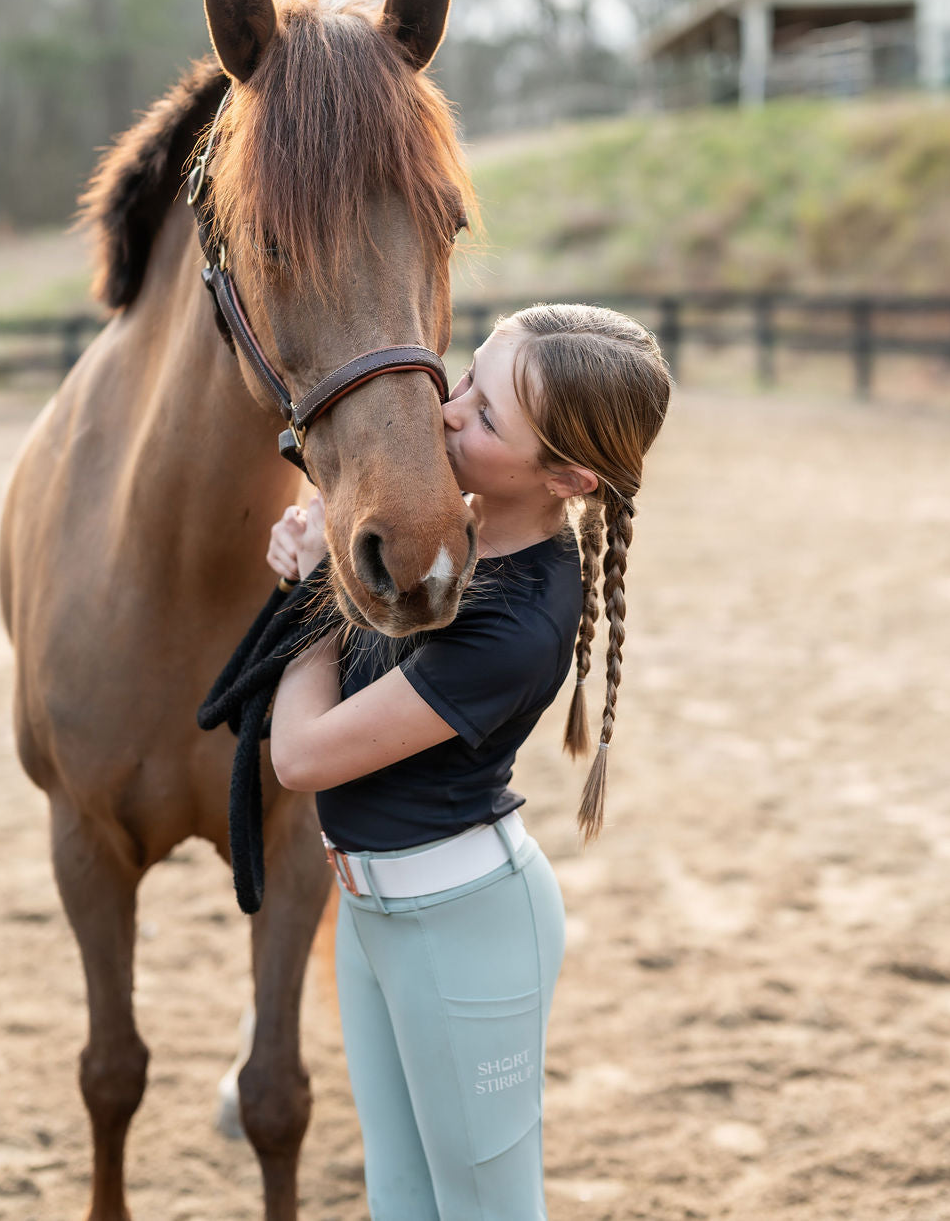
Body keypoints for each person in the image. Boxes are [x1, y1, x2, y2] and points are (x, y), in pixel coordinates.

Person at [267, 303, 671, 1221]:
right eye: (466, 380)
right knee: (401, 1201)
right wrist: (323, 538)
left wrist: (303, 594)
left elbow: (302, 753)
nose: (447, 411)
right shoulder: (453, 531)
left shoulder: (521, 619)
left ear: (566, 473)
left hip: (463, 932)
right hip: (373, 911)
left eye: (486, 417)